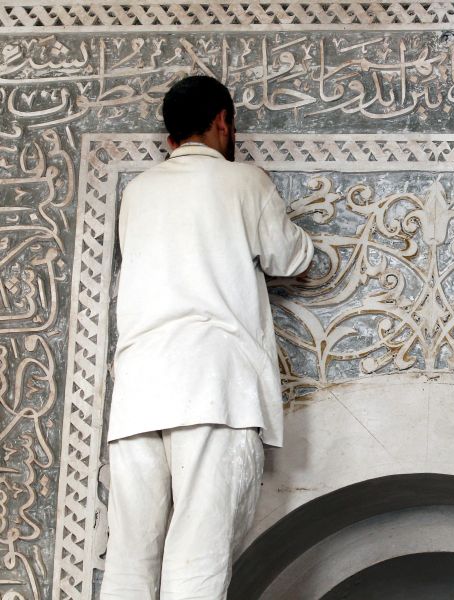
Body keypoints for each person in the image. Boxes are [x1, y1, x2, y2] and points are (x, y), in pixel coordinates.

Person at [100, 75, 314, 600]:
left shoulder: (137, 192)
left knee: (130, 563)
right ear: (223, 121)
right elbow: (292, 257)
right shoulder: (245, 180)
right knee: (198, 561)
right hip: (213, 388)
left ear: (170, 136)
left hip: (137, 397)